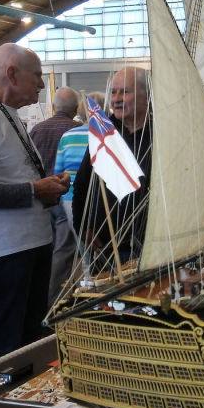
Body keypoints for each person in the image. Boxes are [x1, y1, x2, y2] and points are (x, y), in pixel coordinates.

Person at [0, 43, 69, 364]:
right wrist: (35, 190)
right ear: (11, 74)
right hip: (5, 253)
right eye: (36, 75)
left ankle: (24, 403)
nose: (40, 83)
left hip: (30, 246)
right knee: (3, 344)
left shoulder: (9, 115)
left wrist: (46, 187)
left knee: (28, 340)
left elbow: (10, 174)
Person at [72, 68, 151, 268]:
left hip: (151, 247)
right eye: (113, 92)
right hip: (106, 248)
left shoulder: (160, 134)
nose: (116, 99)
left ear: (146, 95)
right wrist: (83, 228)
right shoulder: (104, 134)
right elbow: (82, 185)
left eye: (124, 92)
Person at [31, 87, 81, 302]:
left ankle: (42, 297)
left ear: (53, 107)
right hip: (66, 199)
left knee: (44, 251)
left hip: (41, 200)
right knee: (63, 251)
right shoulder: (78, 130)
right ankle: (55, 300)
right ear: (75, 109)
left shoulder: (36, 130)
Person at [53, 91, 106, 229]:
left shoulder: (67, 136)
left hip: (70, 200)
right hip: (101, 202)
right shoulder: (109, 137)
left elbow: (58, 172)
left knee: (80, 245)